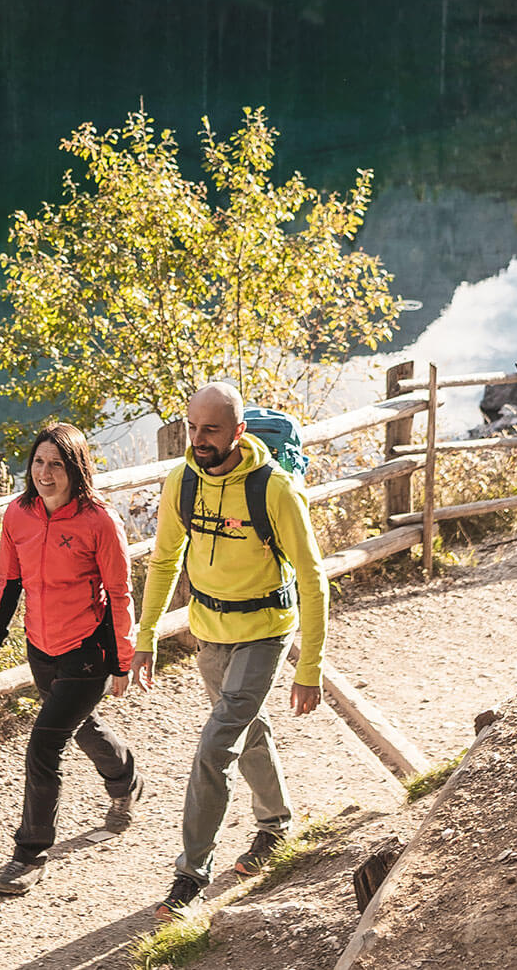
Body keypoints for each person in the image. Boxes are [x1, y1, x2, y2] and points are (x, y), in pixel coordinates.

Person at [130, 381, 328, 920]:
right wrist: (146, 636)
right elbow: (164, 560)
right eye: (193, 427)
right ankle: (276, 826)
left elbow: (313, 580)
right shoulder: (182, 482)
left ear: (238, 431)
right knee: (246, 727)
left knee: (215, 747)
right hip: (209, 631)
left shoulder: (275, 490)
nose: (199, 439)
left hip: (265, 629)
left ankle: (191, 875)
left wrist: (308, 668)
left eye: (211, 430)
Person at [0, 422, 145, 895]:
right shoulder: (18, 514)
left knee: (43, 745)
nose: (45, 473)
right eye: (38, 462)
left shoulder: (99, 521)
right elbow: (8, 584)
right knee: (80, 725)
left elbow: (119, 594)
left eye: (56, 464)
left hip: (88, 650)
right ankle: (126, 780)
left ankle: (30, 853)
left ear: (76, 469)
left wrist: (122, 660)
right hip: (40, 647)